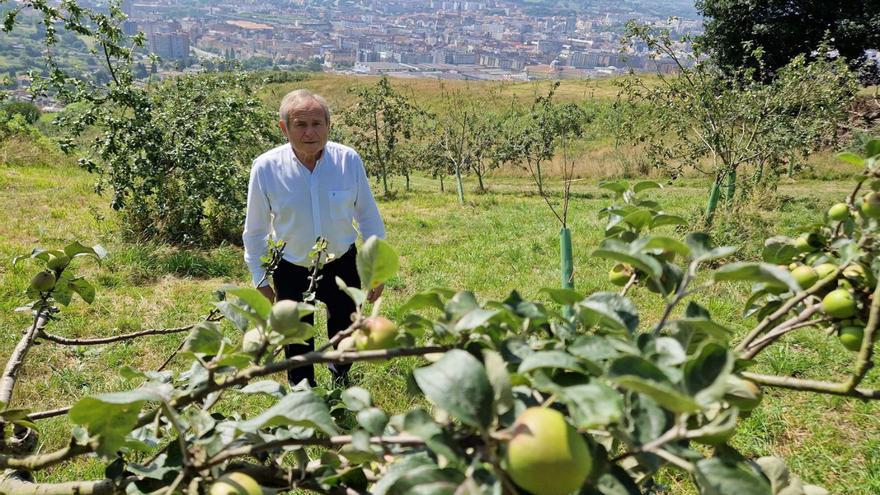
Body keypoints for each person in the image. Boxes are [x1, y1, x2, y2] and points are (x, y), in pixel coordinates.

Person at [243, 89, 386, 387]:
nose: (311, 132)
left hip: (342, 263)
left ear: (328, 125)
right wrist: (260, 278)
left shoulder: (348, 161)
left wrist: (376, 270)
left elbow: (368, 217)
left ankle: (341, 385)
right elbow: (255, 229)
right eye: (301, 125)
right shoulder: (266, 168)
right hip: (291, 266)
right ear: (284, 128)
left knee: (345, 330)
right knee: (296, 339)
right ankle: (302, 394)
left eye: (317, 123)